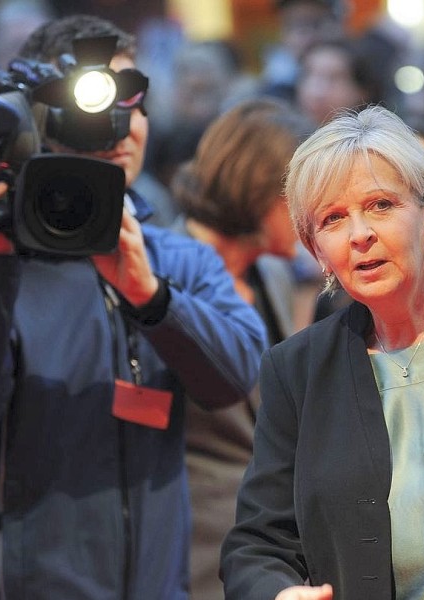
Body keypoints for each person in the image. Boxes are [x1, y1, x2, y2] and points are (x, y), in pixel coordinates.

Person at [0, 14, 266, 599]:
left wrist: (153, 298)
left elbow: (238, 376)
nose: (124, 125)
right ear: (34, 116)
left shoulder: (177, 259)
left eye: (136, 102)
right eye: (100, 104)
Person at [220, 105, 424, 600]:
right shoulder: (298, 369)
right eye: (333, 219)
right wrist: (277, 592)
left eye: (380, 205)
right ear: (316, 250)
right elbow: (256, 543)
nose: (359, 235)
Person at [169, 97, 315, 599]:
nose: (311, 212)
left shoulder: (273, 274)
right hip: (187, 556)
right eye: (300, 194)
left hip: (270, 560)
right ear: (259, 191)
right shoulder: (154, 281)